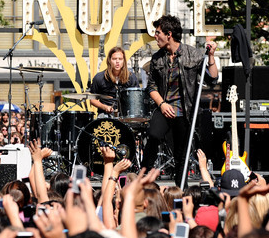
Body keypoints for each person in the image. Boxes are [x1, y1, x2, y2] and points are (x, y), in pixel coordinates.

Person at [142, 15, 217, 186]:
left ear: (169, 34)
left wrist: (211, 56)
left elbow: (212, 79)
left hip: (185, 111)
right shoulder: (157, 58)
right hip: (164, 107)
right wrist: (162, 104)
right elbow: (151, 87)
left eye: (157, 32)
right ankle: (143, 179)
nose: (155, 36)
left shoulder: (193, 54)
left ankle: (179, 191)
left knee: (181, 154)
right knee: (153, 135)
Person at [90, 46, 138, 117]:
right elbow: (92, 99)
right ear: (109, 60)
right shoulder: (99, 77)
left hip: (126, 114)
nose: (117, 62)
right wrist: (105, 107)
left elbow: (136, 98)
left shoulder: (131, 77)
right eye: (114, 59)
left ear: (124, 61)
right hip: (105, 114)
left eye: (120, 59)